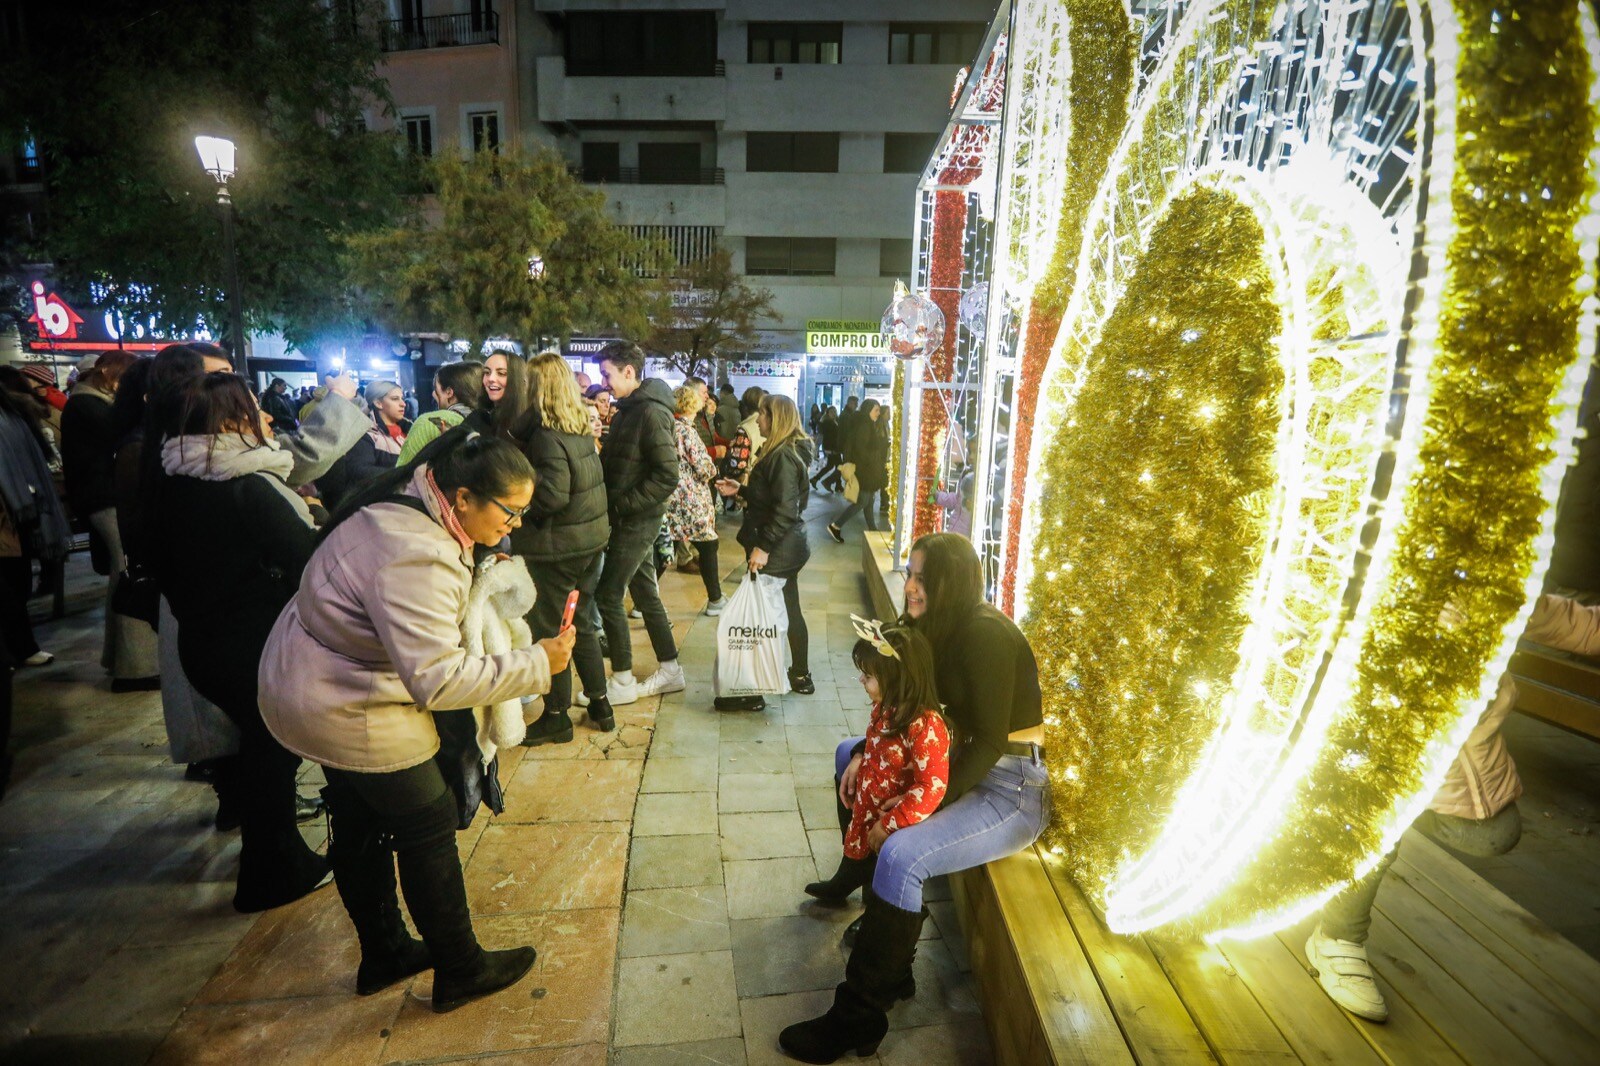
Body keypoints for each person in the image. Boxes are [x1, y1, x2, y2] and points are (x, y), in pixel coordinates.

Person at [258, 435, 573, 1012]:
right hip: (343, 697)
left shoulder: (410, 497)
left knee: (357, 815)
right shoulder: (418, 554)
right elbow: (440, 679)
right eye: (510, 512)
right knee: (426, 819)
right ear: (463, 496)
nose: (516, 526)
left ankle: (385, 953)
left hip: (314, 677)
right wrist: (536, 664)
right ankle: (461, 968)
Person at [781, 533, 1047, 1063]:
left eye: (922, 577)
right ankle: (861, 883)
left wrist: (917, 811)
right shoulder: (930, 626)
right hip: (949, 758)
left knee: (904, 853)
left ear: (950, 582)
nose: (910, 586)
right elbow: (910, 706)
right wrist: (864, 750)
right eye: (909, 573)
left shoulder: (983, 634)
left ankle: (858, 1013)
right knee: (843, 757)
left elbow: (991, 741)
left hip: (1009, 783)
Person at [1302, 591, 1600, 1023]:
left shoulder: (1498, 581)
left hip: (1449, 758)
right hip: (1365, 745)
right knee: (1378, 822)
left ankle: (1343, 828)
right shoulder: (1390, 566)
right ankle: (1338, 937)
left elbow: (1579, 625)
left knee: (1494, 832)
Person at [150, 372, 331, 912]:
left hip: (202, 644)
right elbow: (306, 559)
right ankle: (270, 873)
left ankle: (277, 860)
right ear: (232, 420)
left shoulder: (174, 481)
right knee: (270, 755)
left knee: (261, 749)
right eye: (254, 406)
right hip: (253, 644)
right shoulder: (246, 485)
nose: (266, 415)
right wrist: (318, 519)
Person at [806, 620, 948, 903]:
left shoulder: (925, 726)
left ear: (897, 678)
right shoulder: (887, 707)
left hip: (892, 817)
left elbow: (932, 786)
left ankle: (873, 914)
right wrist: (859, 758)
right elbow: (875, 743)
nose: (861, 681)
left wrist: (890, 823)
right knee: (860, 847)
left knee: (880, 870)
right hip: (869, 802)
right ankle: (848, 875)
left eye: (868, 676)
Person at [515, 352, 613, 746]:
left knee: (551, 631)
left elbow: (553, 495)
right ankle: (600, 704)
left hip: (557, 548)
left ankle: (556, 716)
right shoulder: (574, 427)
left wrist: (520, 508)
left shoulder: (545, 435)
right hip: (589, 542)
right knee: (582, 623)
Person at [61, 349, 159, 689]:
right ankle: (136, 669)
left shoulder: (87, 404)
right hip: (108, 498)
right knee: (131, 573)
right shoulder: (87, 405)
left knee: (125, 572)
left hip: (107, 497)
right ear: (105, 373)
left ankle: (126, 662)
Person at [594, 342, 683, 705]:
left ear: (628, 372)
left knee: (608, 594)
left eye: (607, 374)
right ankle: (670, 669)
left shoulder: (649, 413)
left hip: (637, 519)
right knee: (645, 593)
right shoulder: (631, 409)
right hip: (631, 518)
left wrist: (626, 504)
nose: (605, 382)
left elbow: (667, 475)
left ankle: (623, 681)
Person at [714, 393, 815, 707]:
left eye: (762, 414)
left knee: (760, 621)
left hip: (778, 549)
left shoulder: (783, 455)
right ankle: (799, 675)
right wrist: (741, 490)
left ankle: (751, 691)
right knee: (787, 608)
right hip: (787, 547)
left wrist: (763, 547)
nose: (758, 419)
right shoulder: (785, 451)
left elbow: (785, 509)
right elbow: (775, 499)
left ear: (777, 418)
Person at [0, 380, 70, 669]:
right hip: (14, 511)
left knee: (14, 583)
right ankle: (18, 647)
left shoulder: (11, 414)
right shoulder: (12, 414)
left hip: (15, 512)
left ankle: (19, 646)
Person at [667, 385, 725, 616]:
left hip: (674, 498)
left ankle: (642, 603)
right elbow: (704, 467)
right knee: (708, 545)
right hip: (690, 501)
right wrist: (713, 470)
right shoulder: (687, 431)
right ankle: (715, 599)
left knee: (665, 549)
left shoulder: (671, 427)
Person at [317, 380, 411, 511]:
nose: (403, 404)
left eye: (402, 398)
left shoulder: (409, 431)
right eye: (395, 399)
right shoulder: (365, 434)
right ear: (378, 403)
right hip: (381, 507)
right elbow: (360, 472)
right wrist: (406, 473)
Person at [398, 362, 484, 465]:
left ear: (449, 392)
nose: (433, 394)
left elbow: (402, 471)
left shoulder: (431, 421)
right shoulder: (492, 421)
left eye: (435, 388)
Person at [827, 399, 889, 543]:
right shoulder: (865, 426)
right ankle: (836, 525)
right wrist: (873, 460)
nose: (878, 414)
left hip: (867, 470)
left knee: (868, 501)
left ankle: (873, 530)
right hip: (865, 470)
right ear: (868, 410)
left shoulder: (866, 424)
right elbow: (861, 450)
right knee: (862, 501)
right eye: (876, 410)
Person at [811, 405, 843, 492]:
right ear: (828, 413)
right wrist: (831, 449)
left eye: (835, 412)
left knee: (831, 466)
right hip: (832, 448)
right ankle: (829, 482)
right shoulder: (828, 423)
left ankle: (816, 479)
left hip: (833, 448)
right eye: (832, 412)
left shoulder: (833, 421)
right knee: (840, 467)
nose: (834, 413)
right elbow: (829, 438)